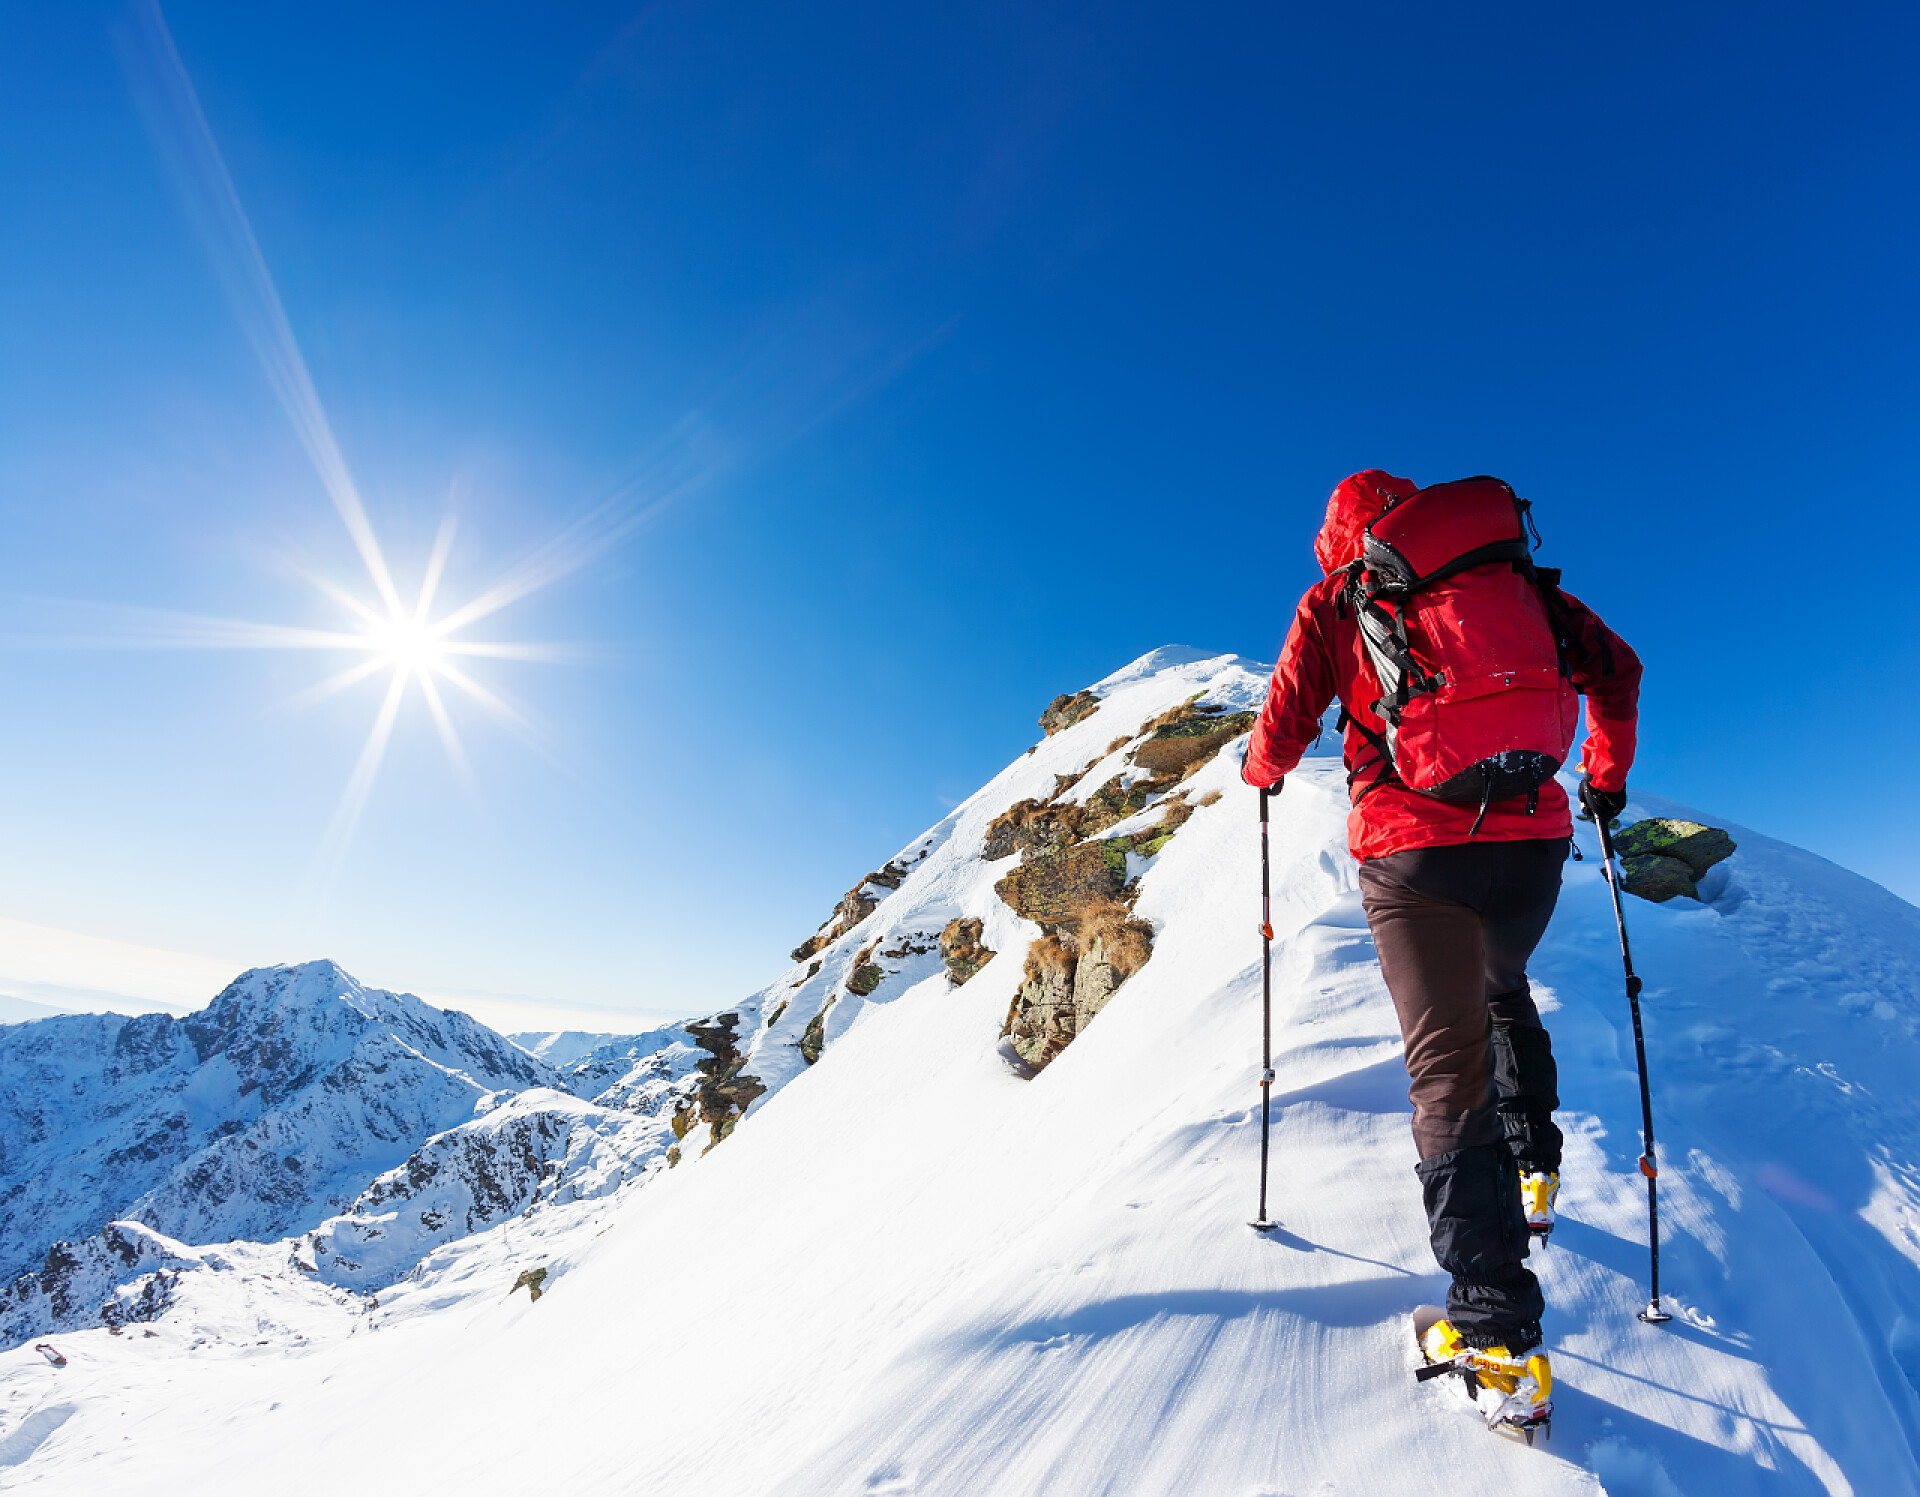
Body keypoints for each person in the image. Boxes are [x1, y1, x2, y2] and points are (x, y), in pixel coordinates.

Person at [1241, 469, 1640, 1429]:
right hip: (1533, 842)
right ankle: (1534, 1166)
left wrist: (1260, 767)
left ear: (1341, 536)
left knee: (1445, 1072)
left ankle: (1497, 1335)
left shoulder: (1342, 597)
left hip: (1414, 855)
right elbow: (1616, 669)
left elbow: (1287, 717)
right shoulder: (1518, 583)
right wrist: (1604, 780)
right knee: (1505, 989)